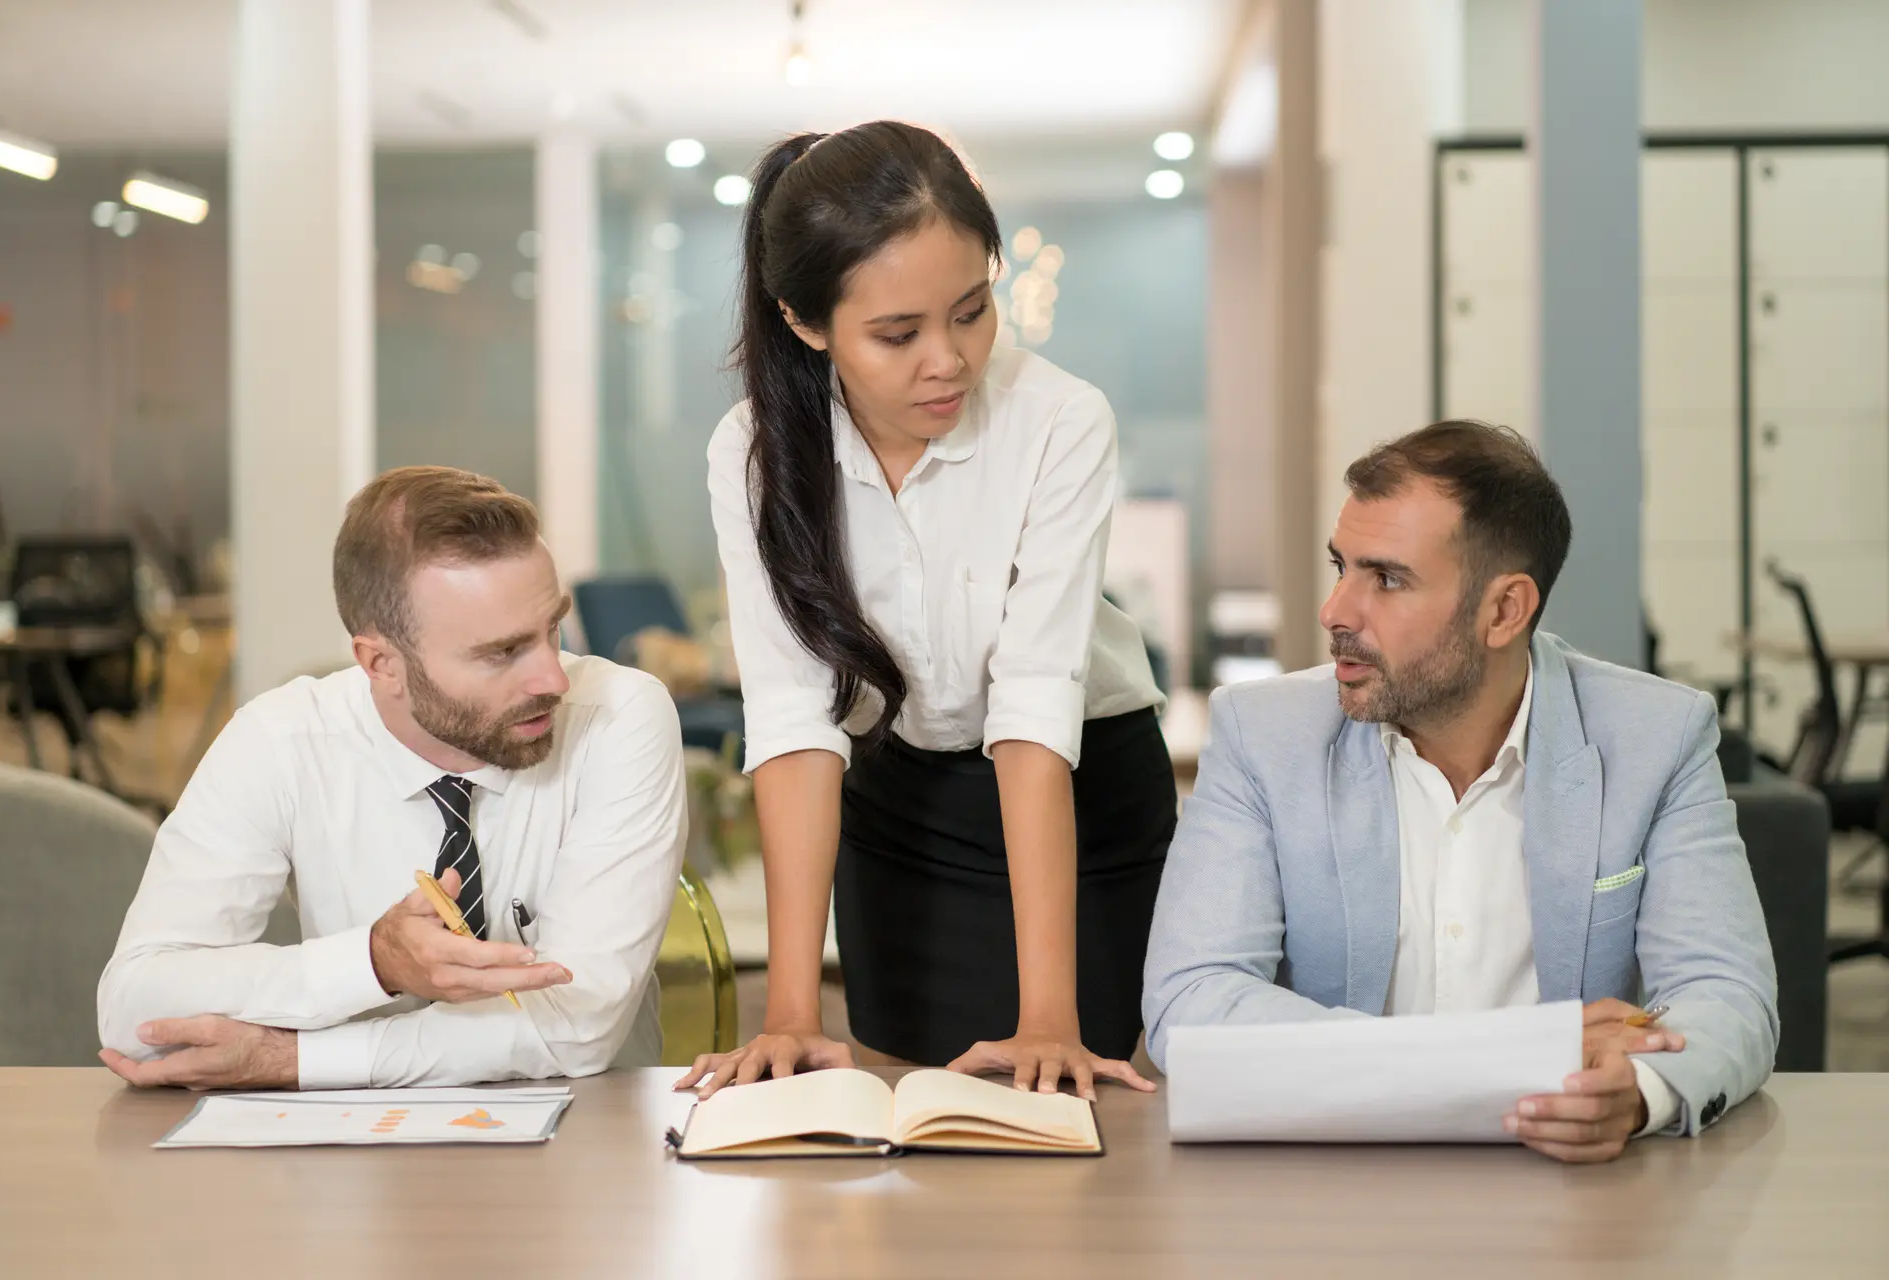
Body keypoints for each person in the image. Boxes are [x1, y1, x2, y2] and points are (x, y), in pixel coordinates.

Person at [680, 121, 1175, 1101]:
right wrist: (787, 1011)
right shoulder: (756, 452)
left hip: (1077, 789)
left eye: (971, 309)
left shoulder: (1060, 419)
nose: (948, 360)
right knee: (901, 1097)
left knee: (1066, 1107)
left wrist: (1049, 1014)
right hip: (899, 801)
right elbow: (792, 720)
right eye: (899, 334)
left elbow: (1035, 705)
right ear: (806, 320)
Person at [1143, 421, 1778, 1163]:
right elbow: (1191, 1002)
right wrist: (1493, 1058)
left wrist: (1639, 1091)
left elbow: (1727, 993)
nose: (1336, 612)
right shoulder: (1264, 735)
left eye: (1386, 579)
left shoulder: (1656, 736)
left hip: (1575, 1195)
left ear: (1505, 610)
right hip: (1331, 1186)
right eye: (1339, 567)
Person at [97, 466, 687, 1090]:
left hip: (596, 1137)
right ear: (381, 664)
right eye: (503, 652)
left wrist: (297, 1060)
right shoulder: (280, 741)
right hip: (360, 1152)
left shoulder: (620, 717)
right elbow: (134, 1010)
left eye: (553, 630)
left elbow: (575, 1028)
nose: (554, 679)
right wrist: (373, 962)